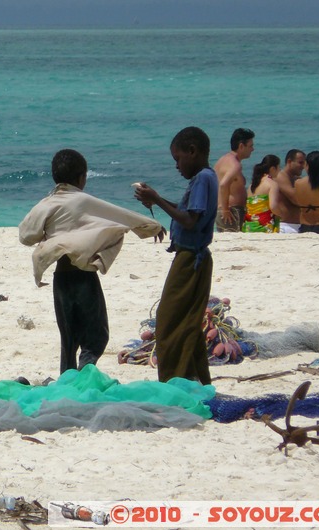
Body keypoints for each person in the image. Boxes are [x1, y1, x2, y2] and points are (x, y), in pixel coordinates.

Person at [19, 149, 164, 374]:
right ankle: (85, 374)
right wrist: (151, 226)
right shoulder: (83, 201)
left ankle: (68, 381)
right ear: (82, 178)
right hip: (84, 277)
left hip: (61, 279)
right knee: (96, 337)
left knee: (68, 340)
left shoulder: (46, 204)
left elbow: (26, 235)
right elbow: (119, 215)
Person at [134, 126, 217, 385]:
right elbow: (187, 210)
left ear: (192, 152)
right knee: (187, 322)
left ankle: (174, 380)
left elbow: (190, 220)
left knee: (168, 322)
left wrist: (156, 199)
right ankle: (195, 379)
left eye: (178, 159)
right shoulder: (205, 177)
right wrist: (156, 201)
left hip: (190, 259)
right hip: (193, 258)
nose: (177, 166)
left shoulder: (203, 178)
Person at [214, 128, 255, 232]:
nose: (252, 149)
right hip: (232, 212)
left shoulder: (222, 160)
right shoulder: (235, 165)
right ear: (241, 146)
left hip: (225, 211)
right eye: (250, 146)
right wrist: (225, 209)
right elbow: (223, 185)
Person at [242, 154, 281, 233]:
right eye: (279, 167)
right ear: (273, 169)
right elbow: (273, 207)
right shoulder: (272, 184)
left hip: (248, 226)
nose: (280, 170)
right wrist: (281, 214)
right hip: (264, 226)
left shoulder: (251, 186)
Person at [274, 149, 307, 233]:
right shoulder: (281, 177)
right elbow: (296, 199)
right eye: (300, 162)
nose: (303, 166)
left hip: (296, 225)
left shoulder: (296, 179)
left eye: (304, 163)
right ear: (289, 161)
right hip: (286, 225)